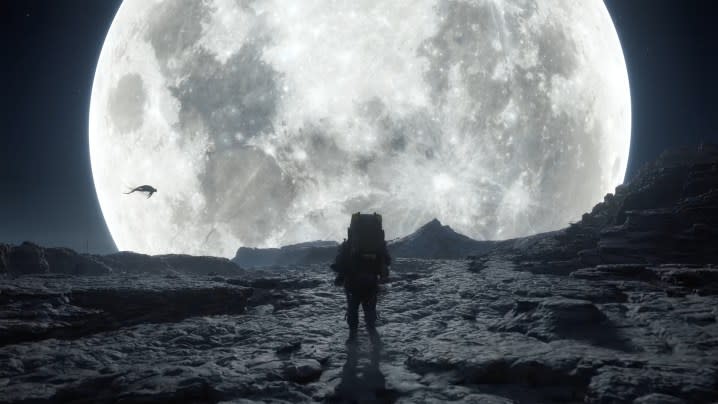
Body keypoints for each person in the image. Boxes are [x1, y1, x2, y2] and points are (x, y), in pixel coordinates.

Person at [331, 213, 391, 346]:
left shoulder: (348, 245)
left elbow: (339, 263)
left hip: (352, 282)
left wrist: (340, 276)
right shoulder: (378, 245)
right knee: (370, 309)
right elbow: (388, 260)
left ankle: (353, 339)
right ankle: (374, 343)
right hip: (371, 282)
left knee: (353, 308)